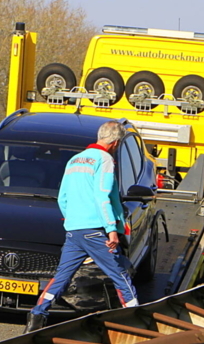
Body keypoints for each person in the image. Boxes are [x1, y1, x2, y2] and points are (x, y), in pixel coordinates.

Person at [25, 120, 139, 333]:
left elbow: (63, 198)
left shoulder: (75, 160)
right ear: (115, 143)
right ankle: (135, 319)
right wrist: (112, 229)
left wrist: (73, 221)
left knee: (62, 276)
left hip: (74, 230)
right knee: (120, 273)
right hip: (96, 229)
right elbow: (102, 196)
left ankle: (37, 314)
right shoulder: (104, 159)